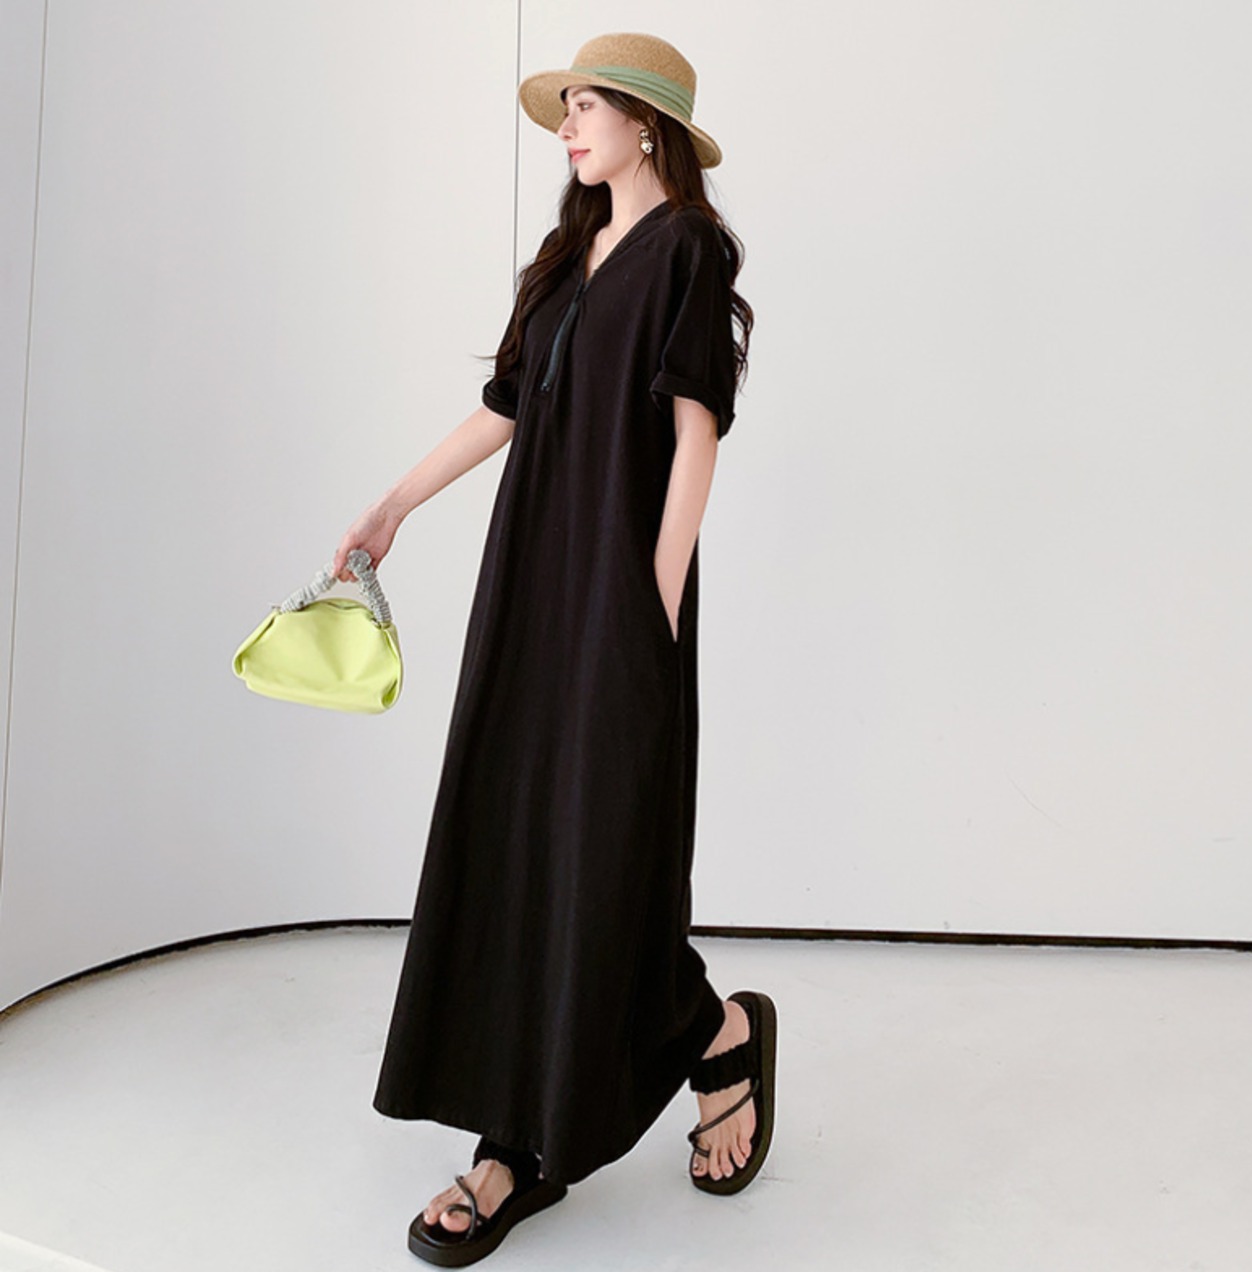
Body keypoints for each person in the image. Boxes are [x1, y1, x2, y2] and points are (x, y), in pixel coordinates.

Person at [331, 32, 777, 1266]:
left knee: (603, 846)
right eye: (566, 107)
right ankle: (522, 1129)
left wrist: (652, 604)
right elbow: (504, 409)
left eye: (586, 106)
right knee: (515, 833)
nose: (568, 127)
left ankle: (705, 1039)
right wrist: (393, 506)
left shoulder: (686, 248)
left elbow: (695, 432)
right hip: (530, 581)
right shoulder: (563, 258)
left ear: (646, 126)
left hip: (619, 591)